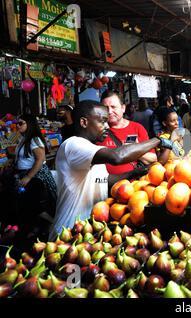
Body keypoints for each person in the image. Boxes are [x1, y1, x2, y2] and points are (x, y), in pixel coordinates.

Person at [49, 100, 179, 240]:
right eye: (102, 121)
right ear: (84, 122)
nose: (107, 126)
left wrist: (138, 172)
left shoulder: (90, 149)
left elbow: (103, 181)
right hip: (68, 231)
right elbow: (118, 156)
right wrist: (158, 140)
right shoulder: (73, 145)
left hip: (89, 230)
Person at [13, 114, 57, 238]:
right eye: (17, 123)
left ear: (29, 124)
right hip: (25, 174)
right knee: (27, 204)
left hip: (36, 177)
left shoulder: (34, 139)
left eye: (21, 123)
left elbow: (40, 159)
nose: (18, 125)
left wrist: (28, 177)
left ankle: (53, 223)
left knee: (35, 204)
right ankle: (38, 228)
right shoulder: (23, 138)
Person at [98, 90, 157, 175]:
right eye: (106, 108)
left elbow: (153, 159)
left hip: (133, 186)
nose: (110, 111)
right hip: (103, 185)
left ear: (123, 108)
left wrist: (134, 150)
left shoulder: (137, 128)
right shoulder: (97, 130)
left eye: (113, 107)